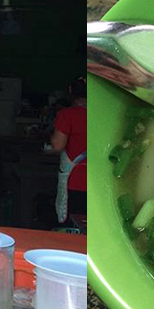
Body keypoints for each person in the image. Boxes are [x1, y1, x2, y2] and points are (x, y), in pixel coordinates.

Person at [52, 77, 88, 223]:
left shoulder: (67, 115)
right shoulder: (102, 115)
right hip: (99, 181)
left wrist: (52, 136)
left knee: (75, 226)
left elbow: (58, 146)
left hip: (76, 181)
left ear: (71, 93)